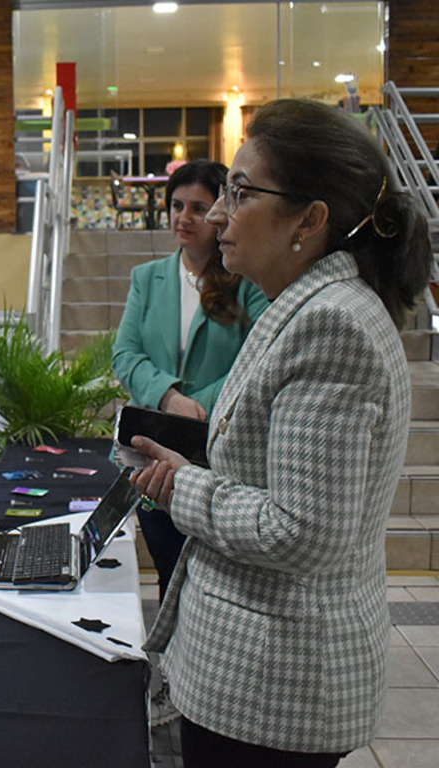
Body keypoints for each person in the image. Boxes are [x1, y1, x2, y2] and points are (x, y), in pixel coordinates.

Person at [130, 99, 432, 767]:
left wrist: (184, 487)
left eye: (238, 193)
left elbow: (301, 531)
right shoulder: (303, 306)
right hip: (253, 677)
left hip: (274, 690)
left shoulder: (333, 326)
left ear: (310, 218)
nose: (214, 215)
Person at [113, 159, 268, 601]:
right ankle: (169, 667)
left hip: (215, 449)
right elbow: (125, 355)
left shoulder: (246, 281)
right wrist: (168, 396)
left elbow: (255, 360)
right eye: (177, 205)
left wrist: (193, 404)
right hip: (149, 455)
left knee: (210, 581)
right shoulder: (147, 278)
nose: (184, 217)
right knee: (166, 567)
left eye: (199, 208)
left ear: (222, 212)